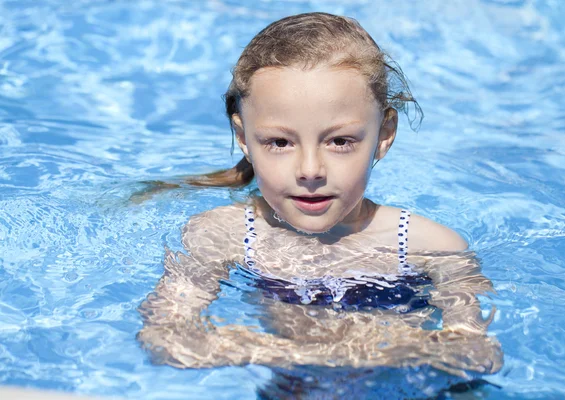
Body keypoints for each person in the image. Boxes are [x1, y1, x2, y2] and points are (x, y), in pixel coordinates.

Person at [137, 12, 502, 396]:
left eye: (340, 141)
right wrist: (346, 352)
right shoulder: (224, 236)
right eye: (279, 142)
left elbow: (478, 355)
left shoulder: (431, 247)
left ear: (384, 135)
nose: (310, 170)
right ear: (244, 138)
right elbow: (164, 338)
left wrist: (301, 352)